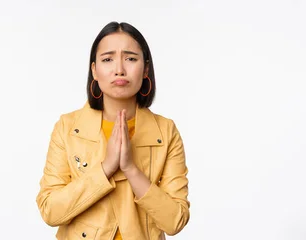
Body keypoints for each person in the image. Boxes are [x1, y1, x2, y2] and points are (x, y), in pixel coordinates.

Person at [36, 21, 190, 240]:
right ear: (94, 71)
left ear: (145, 69)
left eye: (130, 58)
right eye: (107, 59)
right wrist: (106, 167)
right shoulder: (68, 128)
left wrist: (130, 168)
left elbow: (175, 221)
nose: (119, 69)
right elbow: (50, 211)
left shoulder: (166, 131)